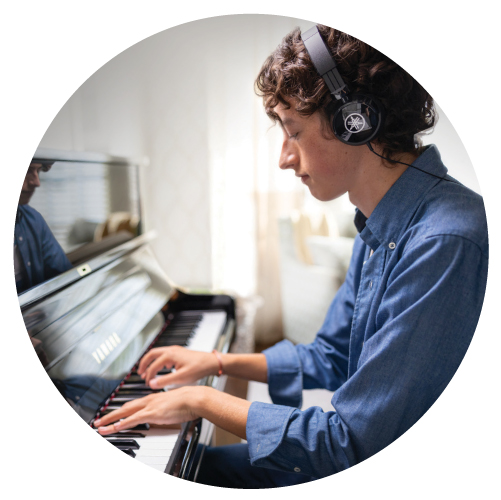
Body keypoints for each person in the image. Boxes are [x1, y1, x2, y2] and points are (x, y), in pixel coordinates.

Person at [94, 25, 488, 488]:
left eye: (293, 130)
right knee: (197, 470)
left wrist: (202, 402)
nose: (283, 157)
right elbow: (331, 354)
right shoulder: (382, 224)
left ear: (354, 121)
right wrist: (217, 364)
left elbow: (349, 443)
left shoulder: (444, 242)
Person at [15, 161, 72, 293]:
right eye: (27, 170)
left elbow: (63, 275)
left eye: (38, 171)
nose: (36, 182)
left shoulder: (33, 220)